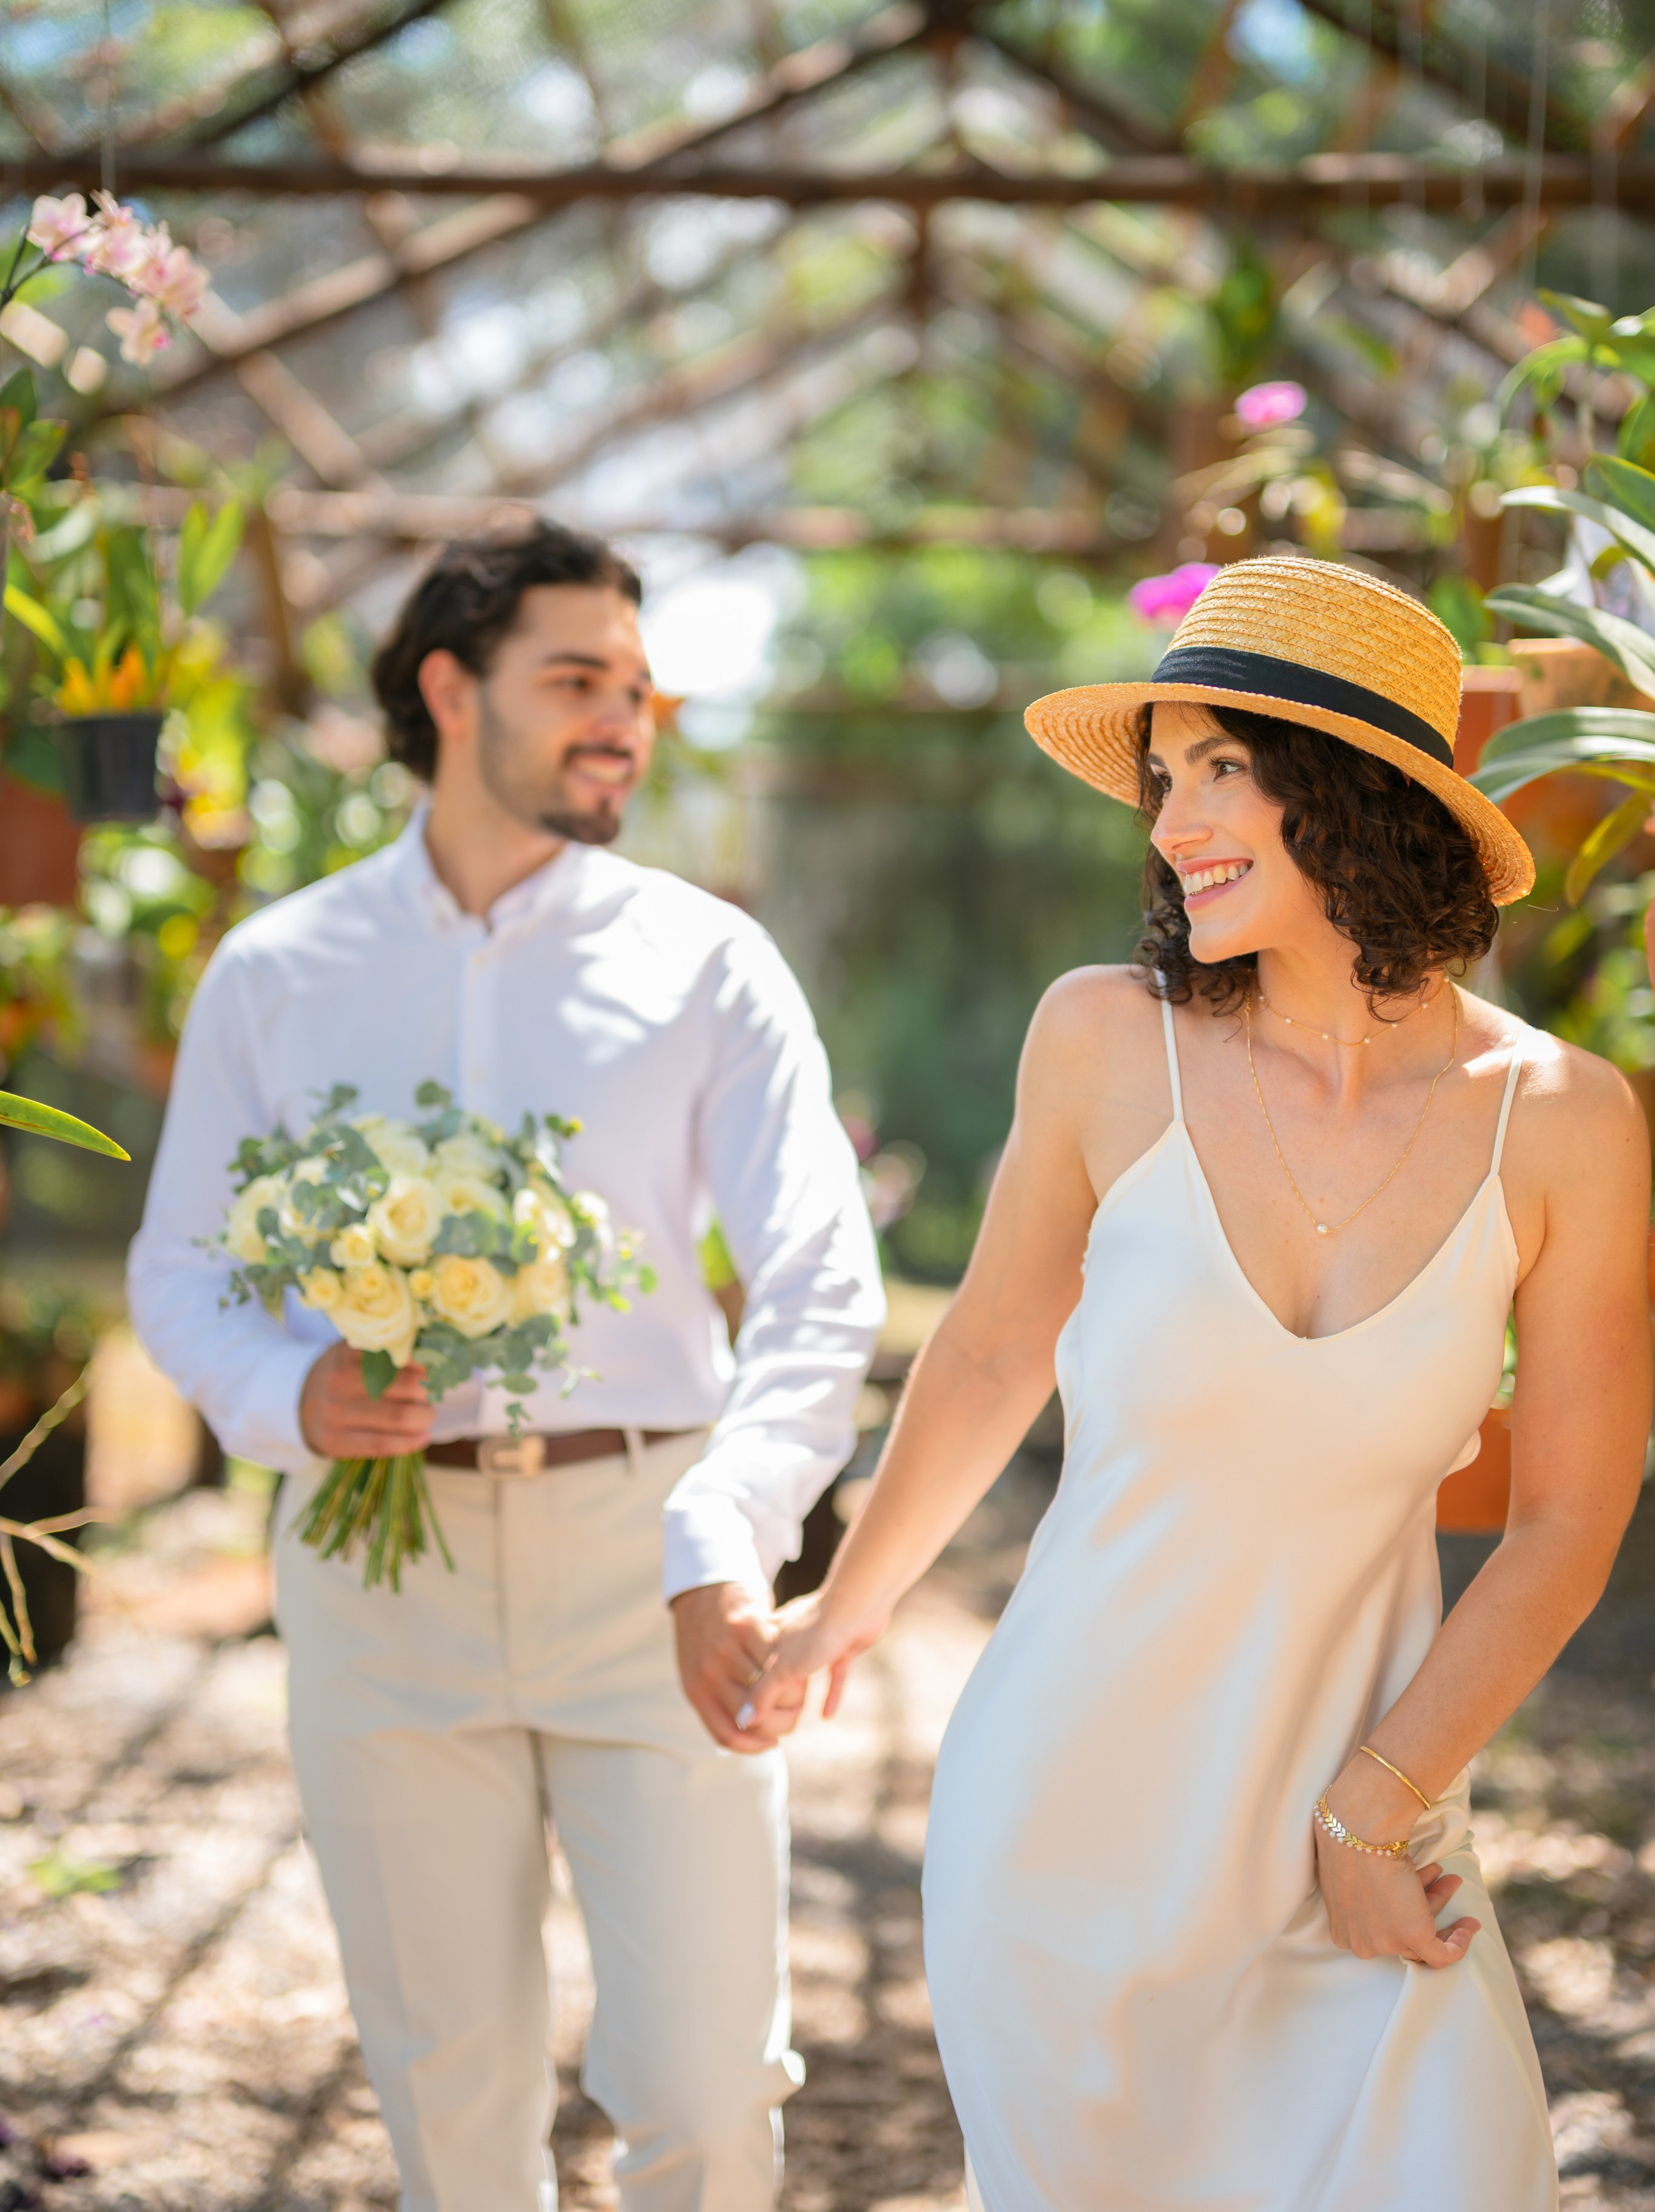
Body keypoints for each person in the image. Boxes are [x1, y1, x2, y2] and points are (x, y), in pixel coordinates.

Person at [738, 556, 1653, 2210]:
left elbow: (1567, 1524)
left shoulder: (1566, 1121)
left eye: (1219, 769)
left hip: (1359, 1831)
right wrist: (840, 1617)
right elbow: (992, 1351)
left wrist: (1375, 1810)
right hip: (1063, 1832)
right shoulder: (1101, 1038)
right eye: (1163, 781)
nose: (1170, 824)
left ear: (1355, 790)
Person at [127, 525, 884, 2212]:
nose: (625, 720)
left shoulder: (709, 963)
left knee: (703, 2083)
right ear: (450, 690)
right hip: (371, 1572)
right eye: (577, 683)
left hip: (656, 1567)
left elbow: (823, 1286)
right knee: (447, 2089)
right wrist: (285, 1398)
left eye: (637, 689)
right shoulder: (277, 972)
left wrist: (732, 1526)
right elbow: (179, 1271)